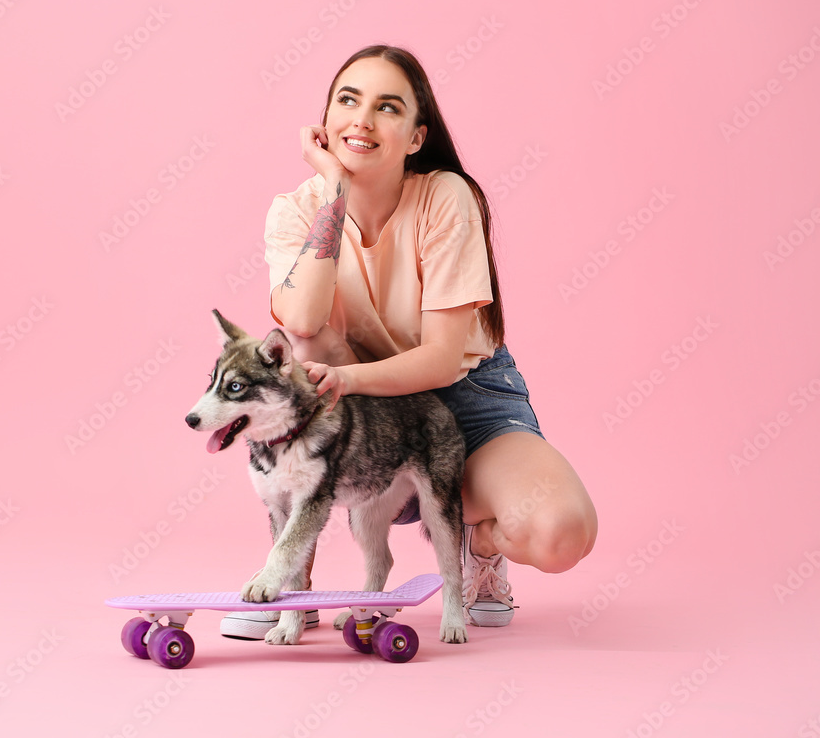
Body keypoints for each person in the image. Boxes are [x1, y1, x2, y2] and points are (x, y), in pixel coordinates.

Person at [221, 44, 597, 639]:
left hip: (464, 395)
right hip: (353, 414)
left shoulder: (446, 196)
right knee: (310, 339)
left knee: (559, 533)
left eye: (387, 107)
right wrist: (335, 190)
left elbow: (444, 358)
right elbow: (301, 317)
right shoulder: (296, 210)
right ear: (325, 121)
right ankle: (293, 581)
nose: (363, 120)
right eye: (348, 101)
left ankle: (477, 539)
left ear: (417, 137)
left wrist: (348, 379)